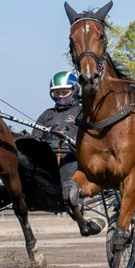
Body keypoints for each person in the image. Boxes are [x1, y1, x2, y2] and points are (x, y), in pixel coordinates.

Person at [30, 71, 82, 202]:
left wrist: (68, 138)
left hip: (72, 158)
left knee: (65, 183)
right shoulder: (46, 115)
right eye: (57, 93)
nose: (60, 96)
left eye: (64, 92)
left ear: (74, 90)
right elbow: (35, 138)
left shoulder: (82, 112)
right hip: (48, 159)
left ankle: (69, 199)